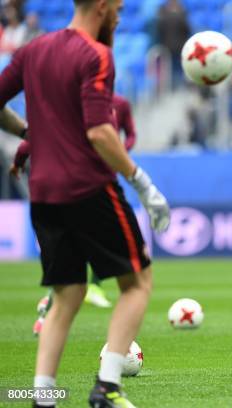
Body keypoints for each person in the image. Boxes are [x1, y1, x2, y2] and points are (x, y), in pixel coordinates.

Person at [0, 1, 170, 407]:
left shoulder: (32, 51)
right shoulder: (96, 54)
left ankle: (43, 396)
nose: (119, 16)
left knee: (68, 293)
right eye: (118, 8)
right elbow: (99, 133)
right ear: (101, 6)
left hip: (43, 191)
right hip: (88, 187)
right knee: (137, 283)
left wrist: (29, 132)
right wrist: (141, 182)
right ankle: (107, 387)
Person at [11, 93, 138, 336]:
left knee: (79, 254)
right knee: (83, 253)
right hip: (86, 192)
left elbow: (30, 141)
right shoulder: (79, 112)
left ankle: (88, 289)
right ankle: (56, 302)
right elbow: (31, 140)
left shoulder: (118, 104)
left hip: (77, 190)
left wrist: (120, 152)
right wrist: (19, 160)